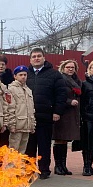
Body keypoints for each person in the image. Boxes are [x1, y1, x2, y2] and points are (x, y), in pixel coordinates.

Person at [25, 48, 67, 179]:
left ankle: (44, 169)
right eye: (34, 57)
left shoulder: (54, 74)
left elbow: (61, 94)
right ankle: (29, 169)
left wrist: (57, 111)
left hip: (46, 116)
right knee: (29, 145)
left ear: (44, 58)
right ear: (30, 59)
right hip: (29, 116)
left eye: (39, 56)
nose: (36, 58)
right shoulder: (25, 74)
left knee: (44, 145)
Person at [52, 60, 82, 175]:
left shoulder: (76, 81)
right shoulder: (60, 79)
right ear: (63, 68)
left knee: (65, 140)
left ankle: (63, 165)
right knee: (59, 139)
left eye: (72, 67)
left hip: (72, 114)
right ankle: (58, 166)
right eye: (68, 67)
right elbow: (57, 95)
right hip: (62, 113)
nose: (70, 69)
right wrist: (69, 101)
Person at [7, 66, 35, 154]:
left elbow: (31, 109)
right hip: (17, 125)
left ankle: (19, 167)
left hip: (27, 126)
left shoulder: (28, 90)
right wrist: (12, 124)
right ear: (15, 76)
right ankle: (11, 168)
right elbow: (10, 108)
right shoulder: (11, 89)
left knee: (22, 152)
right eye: (20, 75)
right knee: (13, 151)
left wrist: (32, 124)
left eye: (25, 75)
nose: (23, 77)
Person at [0, 54, 14, 148]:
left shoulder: (11, 80)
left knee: (4, 141)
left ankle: (0, 162)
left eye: (2, 64)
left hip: (6, 112)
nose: (0, 66)